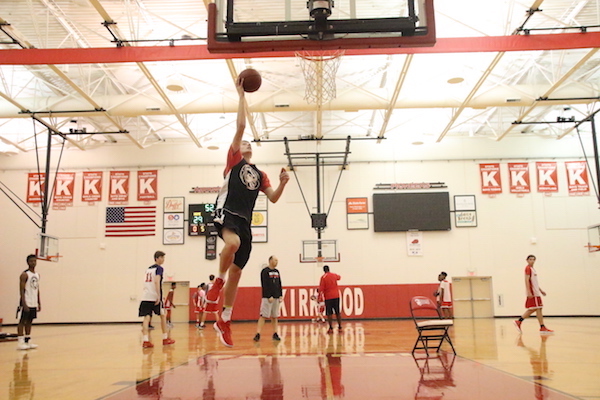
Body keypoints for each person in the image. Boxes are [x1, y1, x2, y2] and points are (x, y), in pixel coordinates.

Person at [205, 77, 290, 347]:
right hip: (227, 211)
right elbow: (241, 125)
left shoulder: (260, 173)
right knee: (233, 243)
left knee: (239, 272)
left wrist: (284, 184)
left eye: (249, 144)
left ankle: (225, 319)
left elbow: (273, 199)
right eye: (244, 143)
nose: (247, 144)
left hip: (245, 220)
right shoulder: (233, 160)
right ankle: (217, 281)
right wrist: (242, 96)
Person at [138, 251, 175, 348]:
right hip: (154, 296)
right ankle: (165, 338)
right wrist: (158, 295)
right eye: (162, 257)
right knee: (163, 315)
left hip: (145, 296)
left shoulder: (148, 270)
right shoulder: (159, 269)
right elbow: (156, 281)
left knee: (146, 317)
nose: (163, 259)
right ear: (157, 258)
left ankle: (145, 340)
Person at [514, 255, 553, 334]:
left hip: (537, 292)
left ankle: (542, 327)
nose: (532, 261)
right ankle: (519, 321)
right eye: (530, 259)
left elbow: (535, 282)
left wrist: (541, 290)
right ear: (527, 260)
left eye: (533, 259)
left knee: (538, 308)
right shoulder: (528, 268)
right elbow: (526, 280)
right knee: (534, 308)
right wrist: (529, 291)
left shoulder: (533, 269)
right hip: (533, 293)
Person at [254, 256, 283, 342]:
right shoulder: (265, 271)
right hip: (268, 298)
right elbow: (264, 284)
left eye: (277, 260)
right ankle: (258, 333)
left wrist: (280, 294)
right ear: (270, 261)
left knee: (275, 316)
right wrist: (268, 295)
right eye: (275, 260)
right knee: (263, 316)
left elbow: (279, 283)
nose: (276, 262)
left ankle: (275, 333)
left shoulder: (277, 271)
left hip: (276, 297)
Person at [16, 254, 41, 350]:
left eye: (35, 261)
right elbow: (21, 290)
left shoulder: (37, 275)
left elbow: (37, 289)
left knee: (30, 321)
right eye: (31, 261)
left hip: (33, 301)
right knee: (22, 321)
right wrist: (24, 303)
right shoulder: (24, 274)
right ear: (28, 262)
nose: (33, 263)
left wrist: (39, 302)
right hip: (26, 301)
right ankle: (20, 341)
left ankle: (27, 340)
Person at [319, 265, 342, 334]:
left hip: (328, 297)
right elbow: (339, 277)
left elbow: (321, 288)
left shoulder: (323, 277)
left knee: (329, 313)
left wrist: (319, 296)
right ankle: (340, 327)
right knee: (337, 312)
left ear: (324, 270)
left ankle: (331, 328)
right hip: (336, 296)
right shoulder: (334, 275)